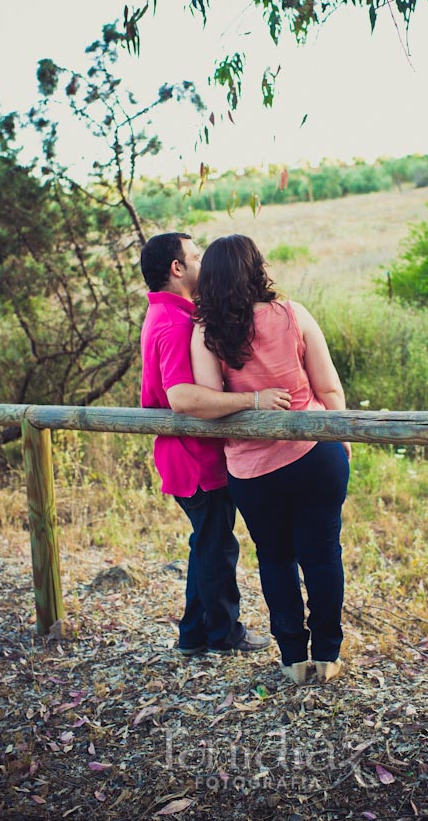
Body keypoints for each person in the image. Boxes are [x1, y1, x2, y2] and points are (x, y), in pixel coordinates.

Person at [191, 234, 351, 685]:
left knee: (276, 559)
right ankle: (328, 655)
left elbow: (206, 400)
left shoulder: (207, 334)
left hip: (253, 471)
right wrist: (341, 438)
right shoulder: (293, 313)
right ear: (257, 269)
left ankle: (293, 660)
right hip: (315, 454)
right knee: (322, 555)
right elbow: (330, 389)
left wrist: (249, 399)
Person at [140, 232, 292, 657]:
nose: (202, 264)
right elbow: (181, 398)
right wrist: (254, 400)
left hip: (188, 455)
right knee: (217, 548)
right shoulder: (173, 323)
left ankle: (193, 635)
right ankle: (225, 635)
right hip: (195, 458)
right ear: (177, 268)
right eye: (194, 257)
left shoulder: (166, 314)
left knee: (208, 545)